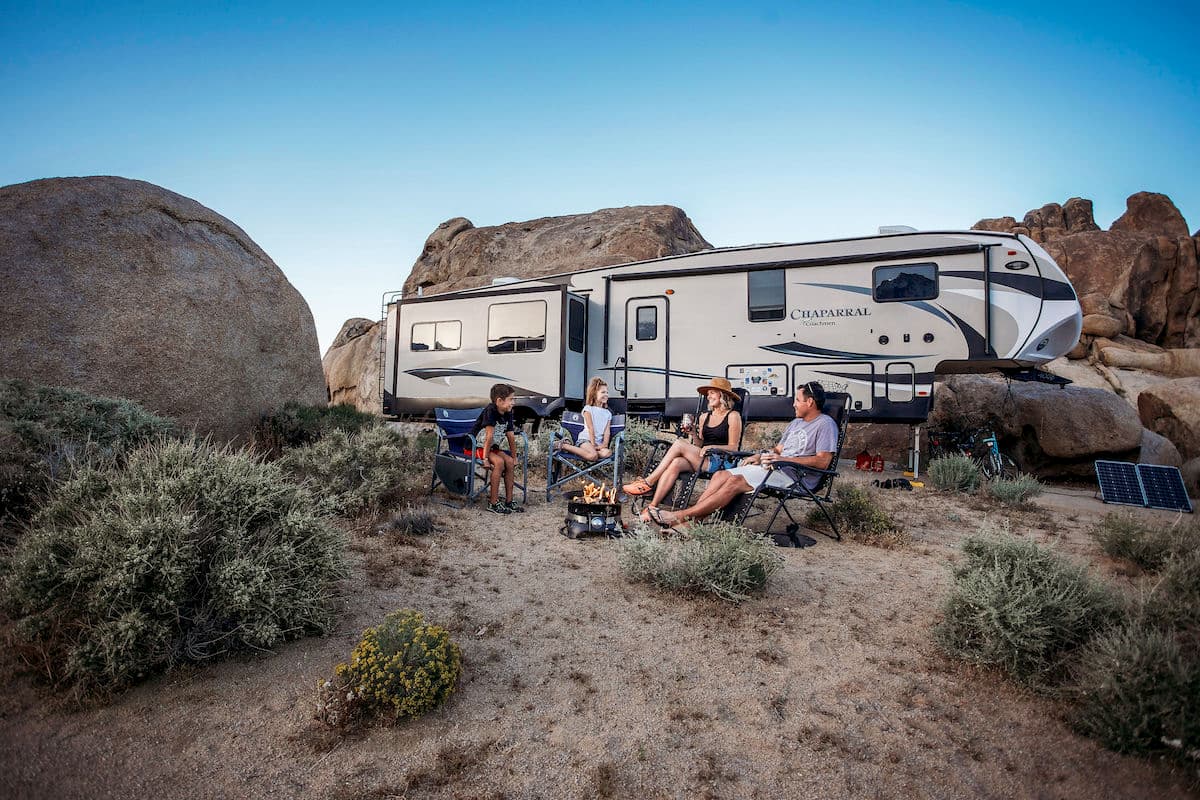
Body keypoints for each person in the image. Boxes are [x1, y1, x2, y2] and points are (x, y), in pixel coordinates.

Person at [647, 382, 837, 528]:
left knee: (735, 481)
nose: (794, 404)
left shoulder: (825, 424)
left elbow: (823, 461)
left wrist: (783, 460)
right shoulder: (796, 423)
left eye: (797, 400)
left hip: (795, 477)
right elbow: (778, 450)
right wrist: (760, 455)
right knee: (721, 475)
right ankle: (691, 523)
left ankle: (681, 517)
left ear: (810, 402)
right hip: (774, 468)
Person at [622, 377, 743, 521]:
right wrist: (692, 433)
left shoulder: (733, 416)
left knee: (679, 443)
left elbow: (734, 447)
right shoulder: (704, 417)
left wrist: (712, 447)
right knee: (676, 463)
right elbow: (699, 445)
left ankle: (648, 482)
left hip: (722, 462)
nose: (708, 397)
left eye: (712, 393)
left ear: (723, 396)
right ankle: (652, 507)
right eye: (708, 394)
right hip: (703, 459)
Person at [471, 383, 524, 514]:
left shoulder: (508, 412)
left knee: (510, 462)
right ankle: (493, 503)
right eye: (511, 399)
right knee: (499, 462)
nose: (513, 402)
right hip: (476, 446)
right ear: (499, 401)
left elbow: (511, 436)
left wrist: (514, 456)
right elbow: (488, 436)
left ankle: (509, 501)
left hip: (492, 447)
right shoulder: (491, 411)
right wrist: (485, 459)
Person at [555, 377, 613, 461]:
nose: (606, 395)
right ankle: (564, 445)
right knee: (593, 456)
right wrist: (593, 444)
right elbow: (590, 428)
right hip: (585, 440)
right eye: (603, 392)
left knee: (608, 453)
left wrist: (604, 444)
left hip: (598, 443)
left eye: (607, 392)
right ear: (594, 394)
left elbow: (607, 431)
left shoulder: (608, 413)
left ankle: (583, 452)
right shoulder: (588, 409)